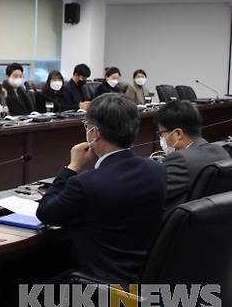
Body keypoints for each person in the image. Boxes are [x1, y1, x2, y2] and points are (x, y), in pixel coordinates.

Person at [36, 93, 166, 284]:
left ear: (94, 133)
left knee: (20, 290)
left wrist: (72, 167)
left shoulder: (86, 184)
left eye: (87, 126)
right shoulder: (157, 170)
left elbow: (46, 212)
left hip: (98, 287)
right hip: (142, 280)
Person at [157, 100, 229, 212]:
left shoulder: (179, 160)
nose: (161, 139)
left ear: (178, 134)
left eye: (161, 134)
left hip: (177, 222)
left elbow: (153, 194)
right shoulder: (222, 151)